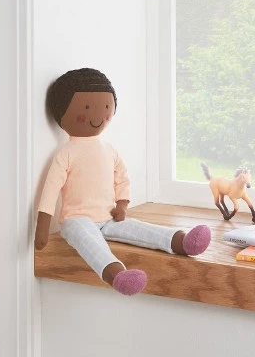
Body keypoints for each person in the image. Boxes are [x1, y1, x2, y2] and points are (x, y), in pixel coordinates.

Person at [34, 68, 211, 296]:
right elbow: (50, 190)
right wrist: (42, 229)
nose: (98, 115)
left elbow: (122, 178)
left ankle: (181, 241)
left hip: (108, 216)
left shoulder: (109, 150)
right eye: (86, 108)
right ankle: (116, 274)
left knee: (138, 228)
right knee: (89, 241)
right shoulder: (66, 154)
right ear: (62, 111)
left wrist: (122, 204)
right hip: (76, 219)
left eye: (106, 107)